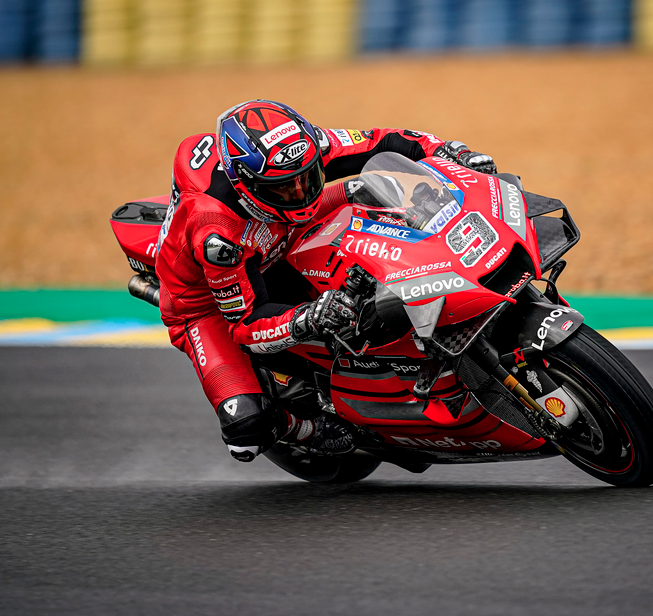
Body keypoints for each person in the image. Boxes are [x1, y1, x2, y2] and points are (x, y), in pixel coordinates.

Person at [154, 99, 496, 463]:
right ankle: (302, 429)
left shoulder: (299, 148)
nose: (300, 191)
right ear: (247, 185)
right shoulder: (217, 236)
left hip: (282, 232)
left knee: (379, 196)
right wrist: (310, 318)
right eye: (283, 187)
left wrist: (450, 151)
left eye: (308, 176)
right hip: (208, 303)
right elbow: (246, 325)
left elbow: (383, 142)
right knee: (245, 430)